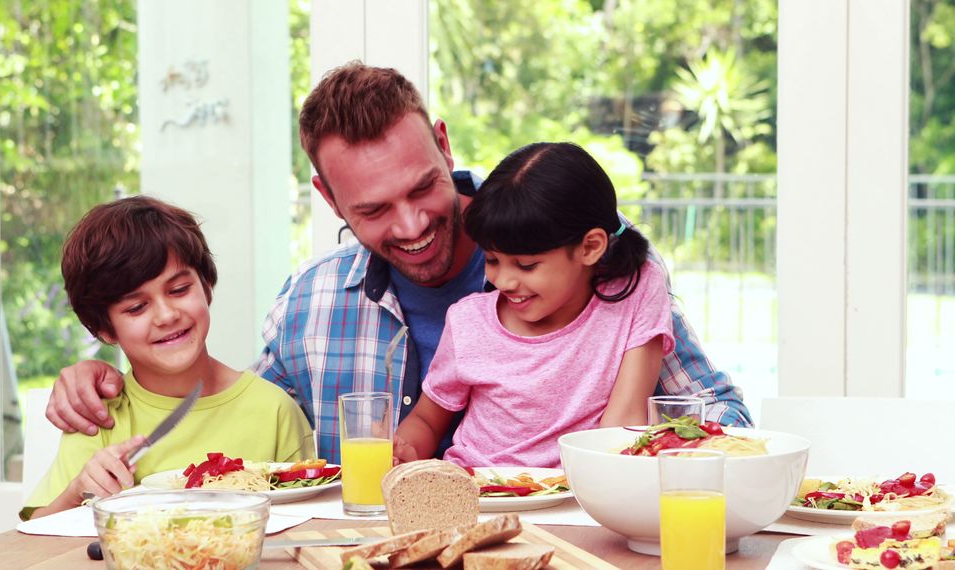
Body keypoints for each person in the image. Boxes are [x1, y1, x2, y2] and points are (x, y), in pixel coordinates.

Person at [44, 63, 753, 466]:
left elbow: (720, 417)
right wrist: (103, 374)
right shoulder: (310, 304)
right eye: (375, 211)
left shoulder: (591, 266)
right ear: (327, 199)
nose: (412, 226)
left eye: (422, 188)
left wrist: (635, 457)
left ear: (443, 144)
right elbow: (234, 418)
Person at [22, 196, 314, 520]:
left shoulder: (274, 411)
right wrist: (79, 491)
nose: (166, 315)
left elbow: (303, 528)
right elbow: (38, 535)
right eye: (136, 308)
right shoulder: (99, 415)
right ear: (105, 329)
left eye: (179, 290)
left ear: (206, 287)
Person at [394, 142, 673, 468]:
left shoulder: (636, 290)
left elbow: (624, 422)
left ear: (591, 247)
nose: (505, 281)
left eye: (526, 266)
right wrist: (405, 450)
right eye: (492, 259)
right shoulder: (468, 321)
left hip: (580, 496)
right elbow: (428, 420)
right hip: (477, 493)